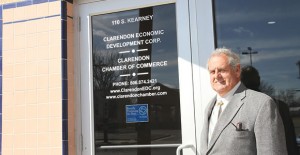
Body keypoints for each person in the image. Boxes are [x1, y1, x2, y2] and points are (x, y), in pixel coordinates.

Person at [200, 47, 287, 155]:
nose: (217, 76)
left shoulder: (262, 104)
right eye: (212, 71)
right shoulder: (210, 107)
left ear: (237, 71)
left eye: (222, 70)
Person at [241, 65, 299, 155]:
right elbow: (290, 142)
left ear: (241, 83)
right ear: (259, 80)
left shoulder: (235, 109)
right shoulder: (280, 106)